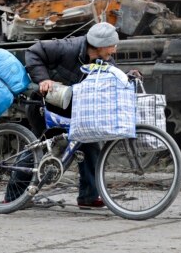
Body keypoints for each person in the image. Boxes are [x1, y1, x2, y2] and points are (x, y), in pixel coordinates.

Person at [22, 21, 123, 208]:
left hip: (75, 108)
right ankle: (13, 195)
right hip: (47, 105)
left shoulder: (105, 60)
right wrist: (43, 79)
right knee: (41, 148)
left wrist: (130, 75)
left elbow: (115, 75)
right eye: (112, 46)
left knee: (91, 145)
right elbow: (33, 52)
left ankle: (88, 197)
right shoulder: (68, 48)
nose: (114, 51)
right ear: (99, 45)